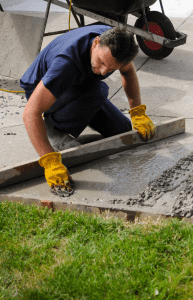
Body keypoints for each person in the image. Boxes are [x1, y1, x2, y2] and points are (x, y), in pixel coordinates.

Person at [20, 25, 156, 197]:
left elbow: (128, 72)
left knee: (123, 130)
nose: (104, 71)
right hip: (42, 90)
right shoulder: (67, 63)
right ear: (96, 43)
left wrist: (137, 111)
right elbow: (30, 112)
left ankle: (76, 111)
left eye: (112, 69)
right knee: (98, 90)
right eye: (102, 62)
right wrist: (49, 161)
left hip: (81, 84)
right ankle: (55, 125)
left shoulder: (119, 45)